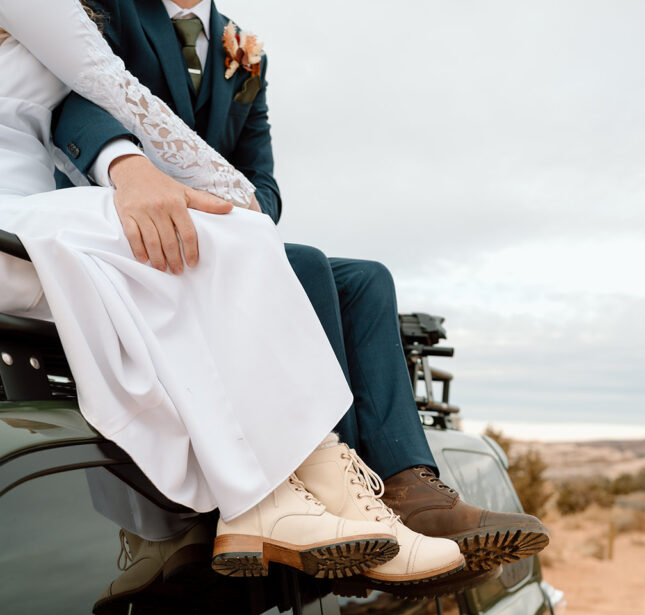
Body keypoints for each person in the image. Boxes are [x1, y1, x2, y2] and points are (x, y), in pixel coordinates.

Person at [52, 0, 549, 574]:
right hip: (138, 221)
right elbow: (74, 97)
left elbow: (265, 186)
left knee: (367, 280)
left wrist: (236, 215)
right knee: (308, 266)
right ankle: (327, 485)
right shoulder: (114, 9)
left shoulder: (246, 54)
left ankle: (410, 488)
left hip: (221, 234)